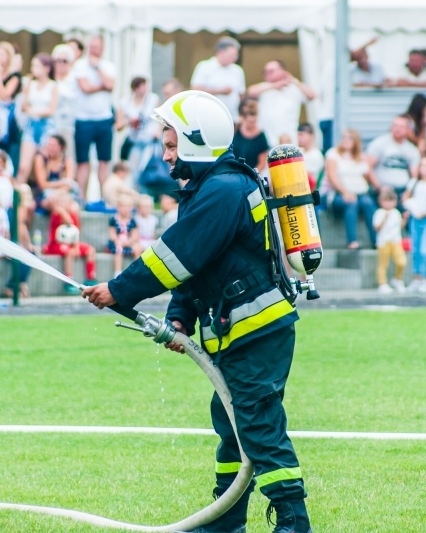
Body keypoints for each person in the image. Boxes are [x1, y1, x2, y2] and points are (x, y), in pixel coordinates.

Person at [82, 90, 313, 532]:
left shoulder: (223, 190)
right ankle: (224, 522)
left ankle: (293, 522)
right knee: (232, 427)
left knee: (257, 425)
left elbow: (176, 256)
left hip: (256, 331)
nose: (166, 156)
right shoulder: (211, 188)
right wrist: (179, 317)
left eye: (172, 145)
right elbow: (198, 267)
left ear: (196, 142)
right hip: (239, 332)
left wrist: (119, 290)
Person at [72, 35, 116, 199]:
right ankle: (81, 198)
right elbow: (85, 87)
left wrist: (97, 68)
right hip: (83, 120)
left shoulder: (108, 66)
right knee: (83, 161)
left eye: (97, 47)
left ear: (102, 49)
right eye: (92, 46)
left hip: (104, 119)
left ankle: (104, 198)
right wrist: (102, 86)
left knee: (104, 161)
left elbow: (110, 85)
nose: (94, 50)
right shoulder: (80, 65)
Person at [324, 128, 378, 248]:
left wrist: (381, 188)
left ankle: (376, 240)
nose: (346, 140)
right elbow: (332, 176)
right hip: (338, 193)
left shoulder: (361, 157)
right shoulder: (333, 154)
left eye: (349, 138)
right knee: (351, 203)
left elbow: (368, 176)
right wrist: (345, 192)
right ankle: (352, 241)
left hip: (361, 192)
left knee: (368, 203)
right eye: (344, 137)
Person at [247, 60, 315, 146]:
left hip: (288, 139)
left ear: (283, 71)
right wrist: (274, 85)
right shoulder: (264, 87)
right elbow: (250, 92)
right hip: (266, 140)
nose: (267, 74)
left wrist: (294, 81)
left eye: (271, 71)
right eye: (265, 71)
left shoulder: (293, 88)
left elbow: (311, 95)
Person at [43, 190, 99, 295]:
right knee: (69, 252)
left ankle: (91, 278)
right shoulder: (56, 214)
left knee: (90, 250)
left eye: (64, 202)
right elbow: (68, 222)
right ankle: (68, 280)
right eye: (59, 203)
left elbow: (75, 232)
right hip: (55, 245)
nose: (62, 205)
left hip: (72, 244)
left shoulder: (72, 214)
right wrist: (61, 211)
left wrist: (76, 246)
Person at [17, 53, 58, 184]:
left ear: (47, 68)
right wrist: (25, 90)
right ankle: (20, 191)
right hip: (31, 124)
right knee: (24, 166)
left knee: (43, 163)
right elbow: (23, 107)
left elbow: (51, 110)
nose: (33, 69)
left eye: (37, 66)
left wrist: (34, 111)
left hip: (47, 126)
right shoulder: (31, 84)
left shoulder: (53, 86)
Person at [403, 155, 426, 293]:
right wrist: (412, 209)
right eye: (422, 165)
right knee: (416, 249)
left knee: (425, 250)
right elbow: (406, 198)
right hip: (415, 219)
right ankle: (416, 278)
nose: (425, 168)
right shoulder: (413, 183)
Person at [190, 36, 246, 121]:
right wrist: (219, 91)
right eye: (231, 55)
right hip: (208, 117)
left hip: (232, 117)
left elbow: (241, 94)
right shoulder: (204, 66)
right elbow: (195, 89)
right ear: (220, 52)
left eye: (236, 55)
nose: (235, 58)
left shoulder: (238, 71)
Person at [117, 76, 161, 183]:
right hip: (135, 140)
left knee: (148, 166)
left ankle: (147, 189)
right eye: (143, 86)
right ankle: (136, 189)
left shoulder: (153, 99)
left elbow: (161, 118)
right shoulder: (125, 102)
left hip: (150, 139)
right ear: (135, 88)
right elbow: (118, 126)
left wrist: (158, 131)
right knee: (134, 169)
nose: (146, 89)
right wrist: (129, 121)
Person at [366, 115, 420, 197]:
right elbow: (368, 167)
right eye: (395, 125)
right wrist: (379, 188)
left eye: (401, 126)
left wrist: (409, 192)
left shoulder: (412, 150)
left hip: (402, 190)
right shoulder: (379, 143)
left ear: (408, 129)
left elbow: (414, 176)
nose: (397, 129)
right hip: (381, 190)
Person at [373, 186, 406, 294]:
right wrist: (385, 218)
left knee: (401, 262)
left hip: (395, 241)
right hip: (384, 242)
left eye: (391, 201)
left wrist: (405, 219)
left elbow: (399, 226)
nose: (389, 204)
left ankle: (398, 279)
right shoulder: (379, 213)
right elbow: (376, 227)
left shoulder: (396, 212)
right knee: (383, 264)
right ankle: (382, 283)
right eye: (386, 201)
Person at [33, 134, 77, 211]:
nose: (50, 148)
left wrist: (57, 193)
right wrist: (62, 182)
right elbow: (42, 185)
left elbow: (69, 184)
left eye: (53, 145)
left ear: (61, 147)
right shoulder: (41, 159)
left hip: (62, 194)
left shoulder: (67, 161)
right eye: (49, 145)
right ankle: (65, 217)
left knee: (73, 207)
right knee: (56, 204)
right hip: (45, 196)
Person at [51, 44, 78, 161]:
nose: (61, 64)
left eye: (64, 61)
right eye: (58, 60)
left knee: (67, 158)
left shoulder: (75, 81)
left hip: (68, 126)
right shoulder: (49, 80)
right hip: (50, 125)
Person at [107, 193, 141, 278]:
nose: (125, 209)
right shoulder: (113, 219)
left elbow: (135, 235)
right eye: (122, 206)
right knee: (119, 249)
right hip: (117, 242)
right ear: (118, 207)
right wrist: (117, 240)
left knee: (137, 248)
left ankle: (137, 271)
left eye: (128, 207)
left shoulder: (132, 221)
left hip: (129, 242)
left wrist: (129, 241)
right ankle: (117, 272)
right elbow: (112, 234)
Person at [231, 98, 269, 172]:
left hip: (251, 173)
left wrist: (252, 173)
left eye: (254, 122)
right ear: (244, 119)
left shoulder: (261, 136)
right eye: (250, 122)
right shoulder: (235, 129)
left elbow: (262, 163)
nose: (252, 125)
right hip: (233, 171)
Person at [297, 122, 324, 191]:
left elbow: (309, 178)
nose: (299, 138)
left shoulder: (316, 155)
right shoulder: (299, 151)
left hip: (308, 190)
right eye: (298, 135)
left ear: (311, 136)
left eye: (301, 135)